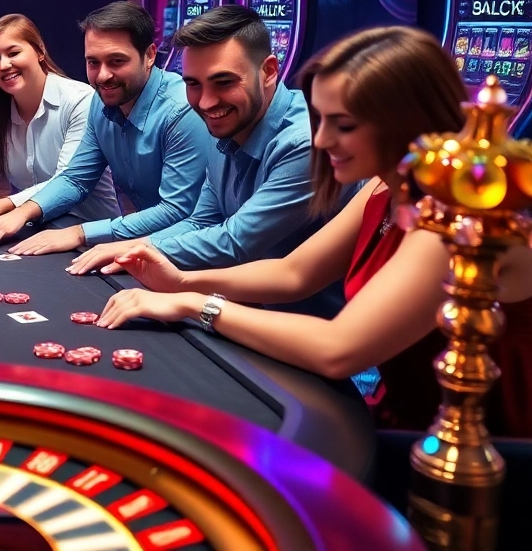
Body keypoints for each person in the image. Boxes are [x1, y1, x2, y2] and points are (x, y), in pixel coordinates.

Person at [93, 26, 532, 436]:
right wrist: (180, 280)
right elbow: (294, 273)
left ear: (406, 121)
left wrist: (194, 304)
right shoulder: (384, 185)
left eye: (343, 125)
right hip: (410, 415)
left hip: (479, 448)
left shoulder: (453, 220)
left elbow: (337, 350)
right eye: (320, 119)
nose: (320, 141)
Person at [64, 5, 343, 316]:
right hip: (259, 312)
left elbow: (236, 241)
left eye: (223, 82)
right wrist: (134, 246)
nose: (206, 102)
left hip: (334, 334)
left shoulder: (306, 142)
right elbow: (201, 221)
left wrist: (137, 249)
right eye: (193, 84)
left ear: (268, 71)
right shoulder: (224, 124)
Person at [0, 2, 207, 252]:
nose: (102, 76)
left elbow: (177, 211)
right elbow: (76, 178)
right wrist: (21, 213)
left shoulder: (182, 110)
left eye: (117, 61)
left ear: (150, 55)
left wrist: (81, 233)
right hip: (142, 242)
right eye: (93, 62)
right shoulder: (101, 102)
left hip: (195, 250)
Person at [0, 14, 120, 238]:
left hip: (89, 232)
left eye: (13, 53)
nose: (4, 64)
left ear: (39, 52)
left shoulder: (80, 100)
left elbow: (67, 180)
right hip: (31, 228)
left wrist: (3, 205)